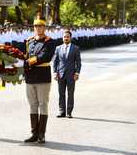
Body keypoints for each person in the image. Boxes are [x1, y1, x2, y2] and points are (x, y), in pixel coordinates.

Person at [9, 13, 56, 143]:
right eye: (35, 26)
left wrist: (27, 62)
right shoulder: (29, 41)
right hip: (30, 77)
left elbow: (45, 57)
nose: (37, 28)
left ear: (44, 27)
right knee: (33, 105)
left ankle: (42, 134)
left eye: (40, 26)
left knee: (43, 104)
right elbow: (25, 56)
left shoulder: (49, 42)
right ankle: (34, 133)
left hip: (42, 77)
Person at [53, 30, 82, 118]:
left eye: (67, 37)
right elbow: (55, 61)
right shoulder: (58, 48)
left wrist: (77, 73)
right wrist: (55, 72)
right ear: (62, 38)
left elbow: (78, 62)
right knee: (61, 94)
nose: (66, 38)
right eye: (64, 37)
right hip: (61, 74)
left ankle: (69, 112)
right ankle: (62, 111)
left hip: (71, 75)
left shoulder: (75, 48)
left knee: (70, 94)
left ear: (70, 38)